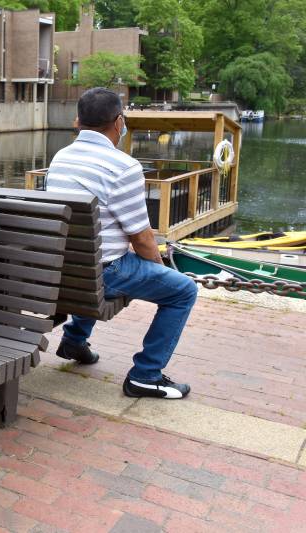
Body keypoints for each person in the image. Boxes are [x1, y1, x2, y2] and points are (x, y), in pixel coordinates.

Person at [45, 87, 198, 400]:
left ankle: (74, 339)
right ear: (118, 122)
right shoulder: (124, 167)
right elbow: (142, 239)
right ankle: (146, 375)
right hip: (103, 272)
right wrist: (158, 270)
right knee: (183, 291)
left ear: (78, 121)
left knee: (88, 258)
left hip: (65, 268)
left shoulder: (60, 158)